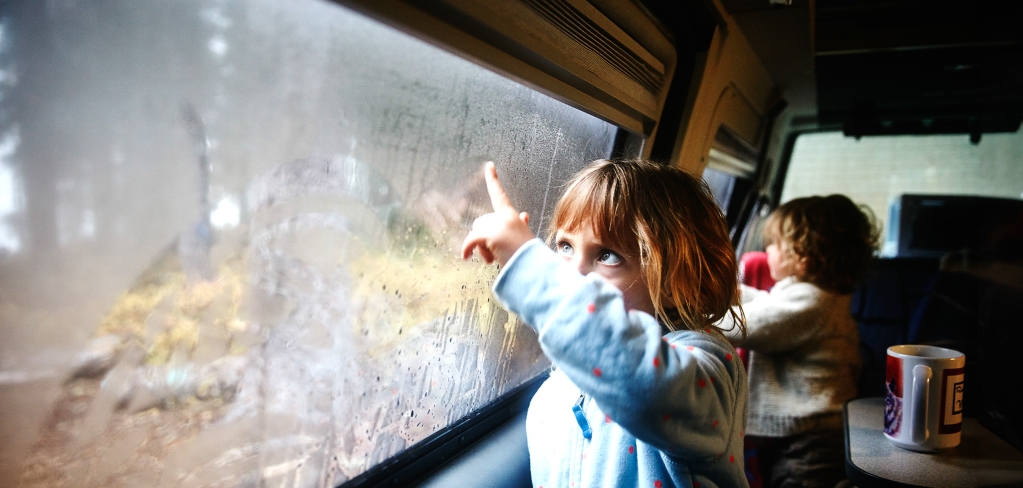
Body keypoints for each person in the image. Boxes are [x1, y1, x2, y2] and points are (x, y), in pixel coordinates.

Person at [461, 159, 749, 488]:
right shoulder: (559, 387)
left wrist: (527, 266)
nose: (572, 274)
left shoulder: (707, 367)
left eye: (607, 255)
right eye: (565, 247)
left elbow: (645, 388)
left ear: (675, 280)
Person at [719, 195, 878, 488]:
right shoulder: (813, 296)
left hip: (812, 435)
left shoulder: (812, 302)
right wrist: (723, 290)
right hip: (807, 430)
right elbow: (767, 304)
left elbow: (749, 324)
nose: (766, 251)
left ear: (802, 257)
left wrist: (692, 314)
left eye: (775, 244)